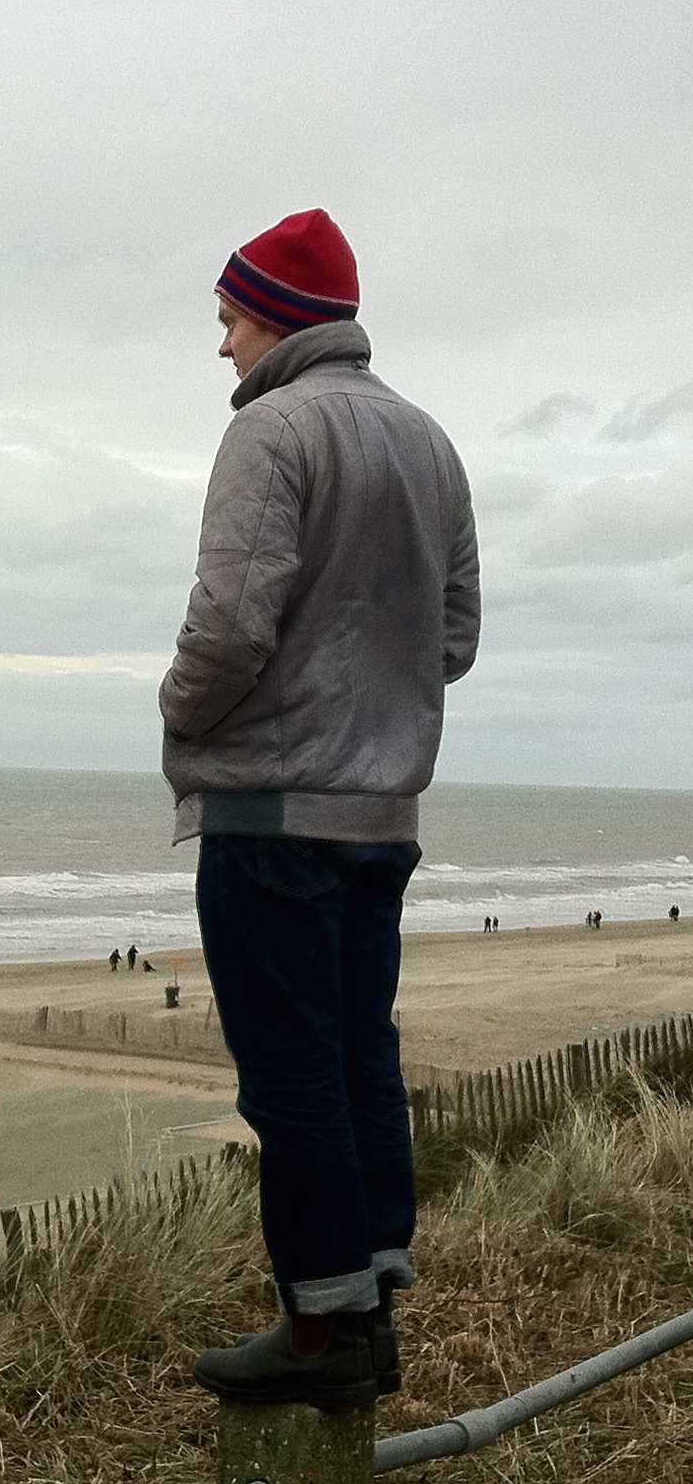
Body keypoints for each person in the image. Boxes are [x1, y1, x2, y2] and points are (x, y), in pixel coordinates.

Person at [161, 209, 480, 1409]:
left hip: (272, 808)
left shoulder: (271, 429)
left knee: (288, 1071)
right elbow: (453, 636)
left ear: (279, 318)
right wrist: (372, 703)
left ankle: (317, 1329)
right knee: (356, 1054)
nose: (222, 345)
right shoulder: (427, 440)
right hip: (381, 812)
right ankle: (367, 1292)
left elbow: (228, 625)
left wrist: (179, 710)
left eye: (228, 318)